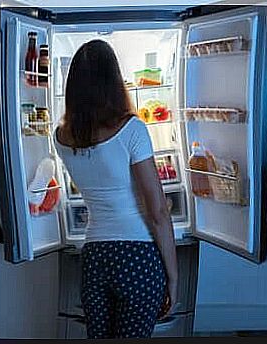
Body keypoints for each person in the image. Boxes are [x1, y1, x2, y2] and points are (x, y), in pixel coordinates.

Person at [53, 39, 178, 339]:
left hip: (95, 257)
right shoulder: (132, 130)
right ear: (113, 82)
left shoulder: (61, 137)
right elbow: (158, 211)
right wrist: (173, 279)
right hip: (136, 256)